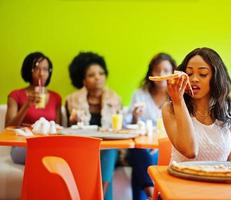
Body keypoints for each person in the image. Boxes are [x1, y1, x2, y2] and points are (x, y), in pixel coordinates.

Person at [162, 47, 231, 163]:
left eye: (203, 74)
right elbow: (190, 151)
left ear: (216, 78)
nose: (194, 79)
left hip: (219, 179)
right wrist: (178, 101)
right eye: (189, 74)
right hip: (182, 180)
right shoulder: (170, 109)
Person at [65, 52, 121, 200]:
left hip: (109, 149)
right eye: (91, 75)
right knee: (101, 158)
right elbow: (66, 130)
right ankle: (101, 196)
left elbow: (120, 129)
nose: (98, 77)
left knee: (109, 151)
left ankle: (99, 194)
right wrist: (73, 121)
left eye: (101, 73)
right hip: (83, 148)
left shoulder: (115, 98)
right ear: (83, 80)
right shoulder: (72, 100)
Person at [125, 53, 177, 200]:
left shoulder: (178, 97)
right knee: (139, 151)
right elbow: (128, 125)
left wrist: (159, 144)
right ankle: (152, 192)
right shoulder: (140, 94)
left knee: (140, 167)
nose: (161, 74)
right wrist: (135, 116)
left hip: (167, 145)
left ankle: (150, 193)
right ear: (151, 72)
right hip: (143, 146)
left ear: (173, 72)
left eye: (166, 70)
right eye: (157, 70)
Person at [5, 52, 62, 164]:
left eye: (45, 69)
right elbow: (8, 127)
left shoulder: (56, 97)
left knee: (54, 154)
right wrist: (27, 105)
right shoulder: (15, 95)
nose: (41, 73)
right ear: (28, 70)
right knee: (47, 156)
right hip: (22, 146)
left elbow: (58, 128)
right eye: (36, 69)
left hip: (48, 145)